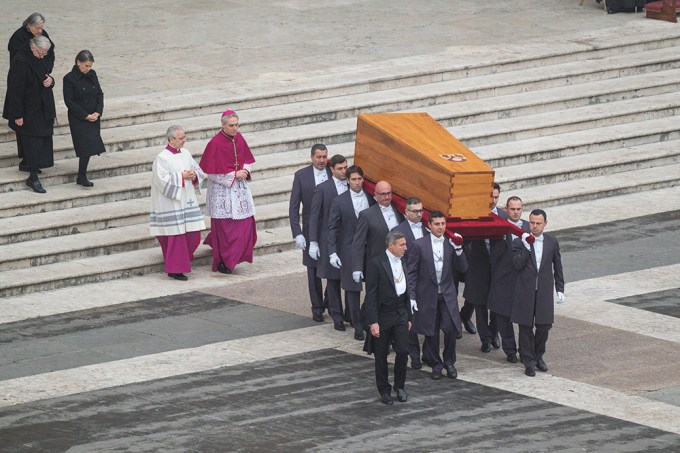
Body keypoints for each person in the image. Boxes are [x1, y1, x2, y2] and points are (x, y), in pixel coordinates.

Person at [408, 211, 467, 380]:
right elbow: (411, 273)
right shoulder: (419, 245)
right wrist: (411, 296)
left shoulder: (451, 243)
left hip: (447, 295)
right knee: (431, 331)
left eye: (443, 224)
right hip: (427, 295)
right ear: (429, 226)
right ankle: (436, 363)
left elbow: (463, 268)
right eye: (437, 224)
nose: (440, 227)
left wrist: (459, 250)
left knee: (450, 329)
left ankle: (449, 361)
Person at [199, 110, 257, 274]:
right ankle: (224, 260)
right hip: (222, 193)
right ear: (223, 125)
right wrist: (233, 175)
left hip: (239, 192)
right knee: (227, 231)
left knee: (245, 228)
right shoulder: (215, 143)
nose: (235, 128)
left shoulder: (239, 138)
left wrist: (245, 170)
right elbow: (210, 172)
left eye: (237, 125)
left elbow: (247, 159)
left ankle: (233, 257)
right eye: (231, 125)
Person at [511, 209, 565, 377]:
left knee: (544, 326)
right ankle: (528, 361)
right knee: (525, 327)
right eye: (532, 223)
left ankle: (538, 355)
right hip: (525, 290)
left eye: (538, 223)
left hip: (543, 290)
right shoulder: (520, 241)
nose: (534, 226)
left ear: (545, 224)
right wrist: (526, 247)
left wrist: (560, 288)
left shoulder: (551, 242)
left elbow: (557, 266)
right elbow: (517, 264)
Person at [150, 126, 206, 281]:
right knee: (176, 236)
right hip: (170, 202)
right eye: (181, 138)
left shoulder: (186, 153)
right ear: (171, 139)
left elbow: (198, 171)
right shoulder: (162, 157)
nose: (184, 140)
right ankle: (175, 268)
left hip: (186, 200)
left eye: (184, 137)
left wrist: (194, 175)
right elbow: (160, 180)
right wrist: (181, 176)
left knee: (193, 235)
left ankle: (180, 262)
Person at [362, 230, 412, 405]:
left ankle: (400, 386)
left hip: (400, 314)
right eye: (402, 245)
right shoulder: (376, 263)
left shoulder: (403, 261)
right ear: (391, 246)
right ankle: (384, 389)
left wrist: (409, 316)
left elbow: (407, 291)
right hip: (383, 315)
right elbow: (371, 295)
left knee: (403, 351)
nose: (405, 248)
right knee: (381, 354)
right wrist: (373, 321)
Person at [3, 35, 55, 193]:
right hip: (27, 110)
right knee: (31, 143)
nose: (43, 56)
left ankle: (32, 167)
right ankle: (33, 178)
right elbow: (15, 91)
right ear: (33, 47)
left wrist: (51, 80)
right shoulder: (20, 61)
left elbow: (46, 76)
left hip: (42, 107)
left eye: (45, 53)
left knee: (39, 142)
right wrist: (17, 115)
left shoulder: (40, 57)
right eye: (41, 53)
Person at [328, 165, 375, 340]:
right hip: (348, 250)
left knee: (372, 286)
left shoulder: (371, 199)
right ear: (347, 180)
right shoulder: (339, 201)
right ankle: (356, 325)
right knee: (352, 288)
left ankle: (364, 317)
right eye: (353, 179)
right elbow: (332, 228)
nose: (357, 182)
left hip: (369, 250)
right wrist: (332, 252)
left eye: (359, 179)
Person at [462, 182, 507, 350]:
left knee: (496, 306)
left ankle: (494, 333)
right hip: (479, 268)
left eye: (496, 197)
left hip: (496, 269)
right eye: (491, 197)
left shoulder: (503, 215)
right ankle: (485, 340)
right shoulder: (473, 215)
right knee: (480, 306)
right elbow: (464, 239)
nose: (494, 200)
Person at [289, 144, 331, 322]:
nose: (322, 161)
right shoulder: (301, 176)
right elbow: (294, 207)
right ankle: (316, 306)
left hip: (331, 229)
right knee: (312, 270)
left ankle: (330, 300)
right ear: (312, 157)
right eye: (318, 157)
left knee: (333, 268)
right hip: (309, 230)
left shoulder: (333, 172)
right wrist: (297, 232)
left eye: (324, 157)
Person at [488, 196, 530, 363]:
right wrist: (503, 236)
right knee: (503, 319)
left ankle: (525, 351)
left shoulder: (528, 226)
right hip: (503, 280)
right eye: (512, 209)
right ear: (506, 209)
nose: (515, 212)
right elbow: (494, 255)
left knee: (524, 320)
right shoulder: (500, 228)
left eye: (518, 209)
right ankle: (510, 351)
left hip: (522, 281)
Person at [308, 154, 348, 331]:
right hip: (329, 240)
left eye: (345, 167)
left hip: (347, 239)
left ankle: (348, 313)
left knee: (346, 278)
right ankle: (336, 315)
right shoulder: (323, 189)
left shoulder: (351, 186)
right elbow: (314, 217)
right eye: (340, 168)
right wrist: (313, 242)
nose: (344, 171)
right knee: (332, 279)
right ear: (331, 169)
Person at [392, 197, 429, 369]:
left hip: (427, 281)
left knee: (428, 318)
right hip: (408, 280)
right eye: (414, 211)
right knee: (410, 318)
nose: (418, 214)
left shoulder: (428, 228)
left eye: (420, 211)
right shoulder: (398, 230)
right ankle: (414, 355)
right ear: (406, 212)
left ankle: (428, 353)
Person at [63, 50, 105, 187]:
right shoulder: (69, 79)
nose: (88, 69)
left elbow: (99, 93)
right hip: (79, 118)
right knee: (84, 146)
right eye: (85, 66)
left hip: (93, 115)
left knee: (90, 146)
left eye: (90, 66)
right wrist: (85, 115)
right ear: (78, 62)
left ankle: (82, 175)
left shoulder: (92, 74)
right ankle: (82, 176)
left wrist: (98, 112)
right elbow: (69, 101)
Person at [351, 180, 404, 286]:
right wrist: (357, 267)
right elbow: (358, 243)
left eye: (389, 193)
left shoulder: (399, 212)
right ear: (375, 195)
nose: (386, 197)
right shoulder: (366, 215)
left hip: (399, 263)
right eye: (383, 194)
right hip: (376, 264)